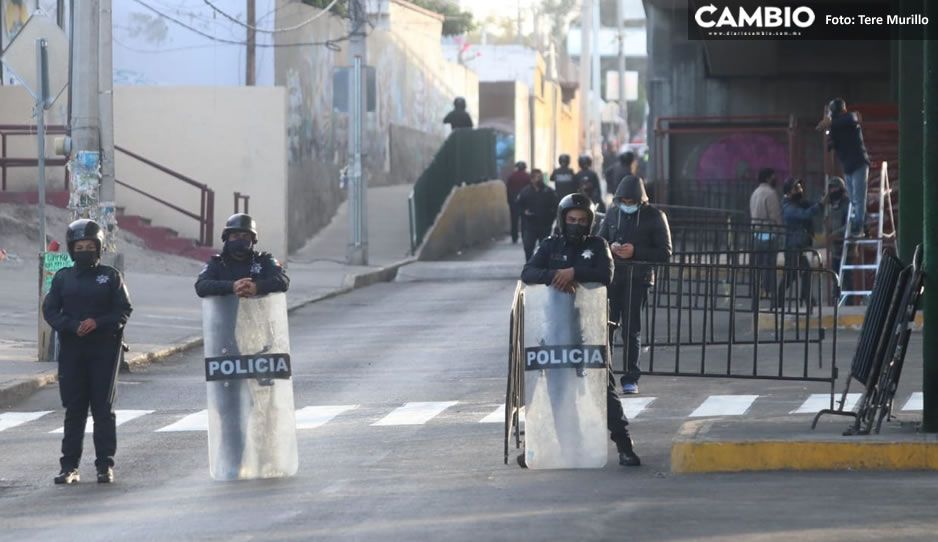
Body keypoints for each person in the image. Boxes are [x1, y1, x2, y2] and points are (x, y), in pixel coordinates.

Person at [520, 194, 641, 467]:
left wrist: (574, 271)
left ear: (589, 222)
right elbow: (528, 273)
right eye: (571, 219)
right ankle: (569, 447)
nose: (576, 224)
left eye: (582, 220)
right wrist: (554, 275)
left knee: (603, 390)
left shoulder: (598, 245)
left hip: (589, 331)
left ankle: (624, 445)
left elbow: (605, 274)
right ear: (563, 220)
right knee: (558, 391)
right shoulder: (550, 246)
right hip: (555, 332)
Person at [195, 214, 290, 474]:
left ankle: (266, 462)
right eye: (235, 236)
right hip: (226, 345)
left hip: (259, 344)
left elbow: (282, 281)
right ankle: (233, 464)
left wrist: (257, 286)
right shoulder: (216, 264)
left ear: (253, 240)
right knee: (230, 412)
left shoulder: (263, 261)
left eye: (245, 237)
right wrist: (231, 287)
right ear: (226, 238)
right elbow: (201, 286)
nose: (240, 241)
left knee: (264, 408)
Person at [43, 219, 133, 484]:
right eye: (79, 246)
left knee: (103, 410)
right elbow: (50, 311)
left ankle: (105, 465)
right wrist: (71, 326)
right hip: (72, 351)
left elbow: (123, 310)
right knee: (74, 410)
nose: (84, 250)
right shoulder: (62, 278)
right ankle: (69, 466)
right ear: (72, 249)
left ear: (99, 247)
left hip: (104, 350)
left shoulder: (111, 276)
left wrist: (99, 323)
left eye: (90, 246)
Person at [598, 176, 672, 394]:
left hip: (638, 279)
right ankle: (605, 375)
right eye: (624, 201)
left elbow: (665, 252)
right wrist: (610, 247)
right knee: (607, 328)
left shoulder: (655, 216)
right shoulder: (612, 213)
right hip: (613, 278)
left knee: (631, 329)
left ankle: (631, 376)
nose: (627, 205)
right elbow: (599, 240)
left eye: (631, 202)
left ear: (641, 200)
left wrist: (636, 252)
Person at [817, 98, 870, 237]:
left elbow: (852, 119)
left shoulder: (850, 118)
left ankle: (859, 226)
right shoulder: (836, 127)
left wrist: (830, 123)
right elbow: (831, 144)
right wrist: (829, 135)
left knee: (858, 198)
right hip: (848, 167)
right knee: (853, 199)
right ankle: (863, 224)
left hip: (858, 164)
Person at [778, 178, 829, 308]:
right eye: (796, 188)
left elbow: (812, 206)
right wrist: (821, 204)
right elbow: (805, 214)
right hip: (792, 248)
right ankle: (778, 299)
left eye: (800, 187)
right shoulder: (788, 207)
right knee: (792, 276)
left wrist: (823, 200)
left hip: (799, 247)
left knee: (804, 272)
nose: (800, 190)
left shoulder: (799, 203)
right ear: (789, 193)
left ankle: (807, 298)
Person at [749, 168, 783, 307]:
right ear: (769, 178)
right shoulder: (771, 193)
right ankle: (773, 298)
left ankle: (755, 299)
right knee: (770, 268)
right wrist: (779, 231)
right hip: (769, 234)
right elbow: (775, 216)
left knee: (758, 268)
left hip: (756, 234)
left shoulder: (755, 193)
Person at [516, 168, 557, 261]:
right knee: (528, 247)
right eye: (537, 177)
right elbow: (518, 205)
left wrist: (551, 218)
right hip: (530, 226)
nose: (539, 179)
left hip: (545, 225)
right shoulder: (525, 191)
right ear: (532, 179)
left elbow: (555, 206)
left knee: (545, 249)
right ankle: (529, 266)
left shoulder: (549, 191)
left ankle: (542, 268)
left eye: (540, 177)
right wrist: (524, 212)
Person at [505, 161, 530, 244]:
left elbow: (508, 189)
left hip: (513, 202)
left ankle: (514, 237)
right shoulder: (527, 176)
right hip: (524, 202)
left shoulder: (512, 176)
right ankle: (524, 236)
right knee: (524, 220)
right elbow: (530, 190)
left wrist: (509, 200)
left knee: (514, 220)